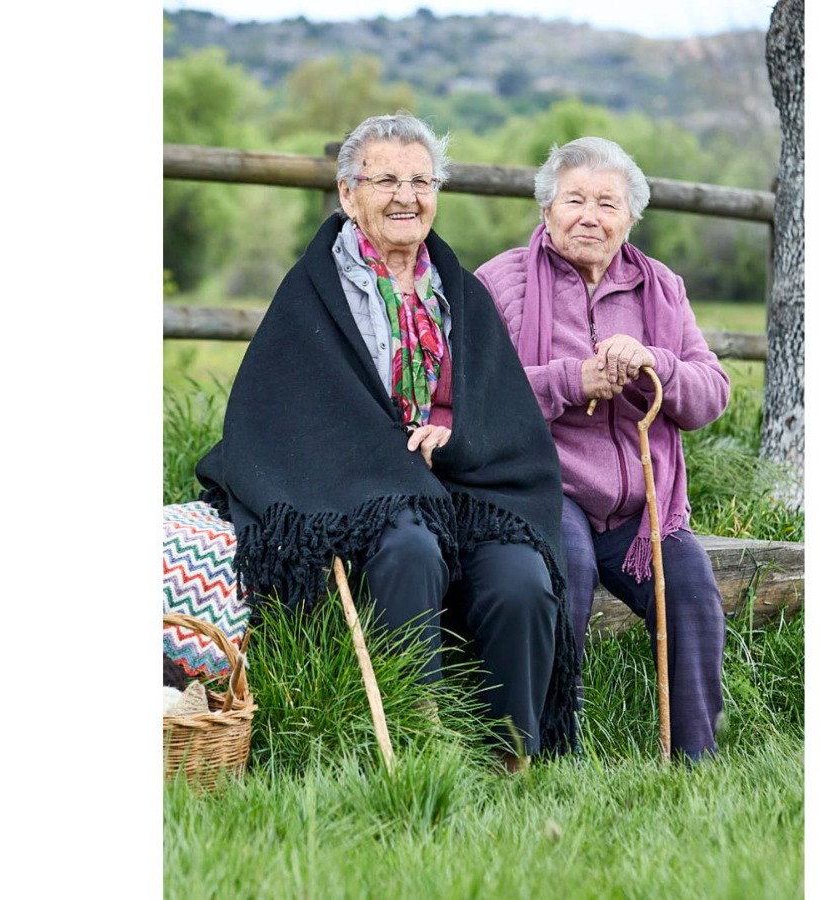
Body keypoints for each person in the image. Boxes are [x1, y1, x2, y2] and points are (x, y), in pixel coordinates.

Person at [195, 114, 579, 768]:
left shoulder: (459, 290)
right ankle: (415, 739)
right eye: (387, 180)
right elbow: (286, 411)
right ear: (349, 194)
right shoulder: (314, 291)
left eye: (421, 181)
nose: (407, 196)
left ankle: (511, 758)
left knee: (520, 577)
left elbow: (504, 415)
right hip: (361, 484)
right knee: (408, 549)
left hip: (464, 484)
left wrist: (457, 438)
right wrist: (383, 458)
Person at [476, 136, 730, 762]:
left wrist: (656, 366)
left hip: (643, 507)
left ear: (630, 219)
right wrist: (572, 380)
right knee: (571, 568)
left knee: (694, 594)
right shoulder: (500, 283)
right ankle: (550, 750)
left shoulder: (660, 289)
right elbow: (479, 398)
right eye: (575, 199)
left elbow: (711, 394)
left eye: (607, 203)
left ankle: (695, 763)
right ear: (546, 210)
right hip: (546, 486)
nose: (590, 215)